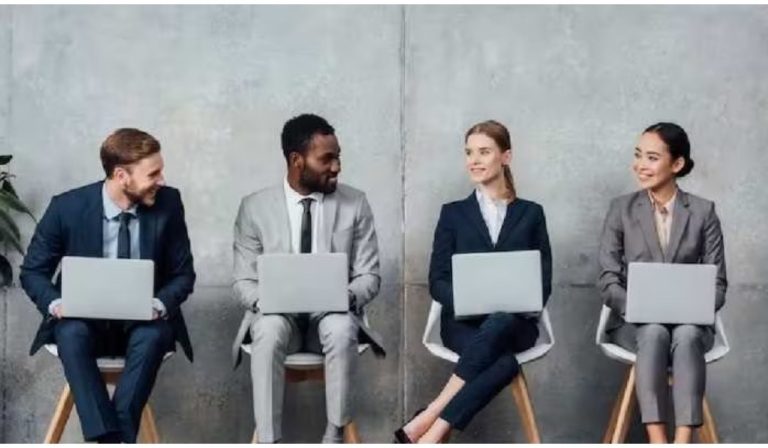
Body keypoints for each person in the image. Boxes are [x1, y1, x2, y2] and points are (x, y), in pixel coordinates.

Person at [20, 128, 196, 443]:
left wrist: (158, 305)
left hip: (143, 324)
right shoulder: (67, 207)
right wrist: (56, 304)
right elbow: (33, 271)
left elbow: (184, 275)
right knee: (70, 332)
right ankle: (114, 440)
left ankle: (108, 439)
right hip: (84, 324)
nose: (162, 180)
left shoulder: (169, 203)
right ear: (121, 176)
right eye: (153, 173)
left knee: (156, 334)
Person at [231, 113, 385, 443]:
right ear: (296, 160)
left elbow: (369, 275)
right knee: (267, 329)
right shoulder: (254, 207)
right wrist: (268, 300)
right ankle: (269, 440)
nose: (337, 166)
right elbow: (244, 281)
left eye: (338, 157)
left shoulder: (355, 203)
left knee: (341, 327)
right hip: (277, 317)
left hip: (330, 316)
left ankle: (335, 433)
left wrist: (345, 297)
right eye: (326, 159)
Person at [395, 120, 552, 443]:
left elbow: (544, 280)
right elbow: (437, 280)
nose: (474, 160)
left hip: (515, 325)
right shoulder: (453, 214)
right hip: (462, 324)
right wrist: (469, 300)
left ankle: (432, 413)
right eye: (469, 152)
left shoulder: (531, 214)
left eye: (484, 152)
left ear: (505, 157)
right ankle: (434, 433)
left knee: (501, 320)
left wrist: (514, 304)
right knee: (504, 364)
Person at [597, 122, 727, 443]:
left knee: (686, 334)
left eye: (652, 158)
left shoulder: (703, 212)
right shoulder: (621, 209)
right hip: (635, 324)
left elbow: (718, 283)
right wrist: (637, 308)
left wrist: (694, 311)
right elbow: (608, 279)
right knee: (654, 332)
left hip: (690, 324)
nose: (640, 165)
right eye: (638, 155)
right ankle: (658, 440)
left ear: (677, 164)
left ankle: (682, 441)